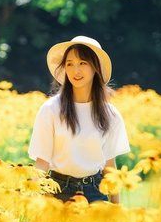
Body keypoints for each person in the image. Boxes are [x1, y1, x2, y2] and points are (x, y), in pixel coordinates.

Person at [27, 35, 131, 204]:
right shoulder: (51, 110)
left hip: (96, 193)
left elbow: (110, 166)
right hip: (57, 193)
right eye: (70, 64)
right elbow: (42, 162)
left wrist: (116, 208)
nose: (76, 70)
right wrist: (30, 198)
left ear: (95, 67)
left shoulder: (110, 114)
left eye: (83, 63)